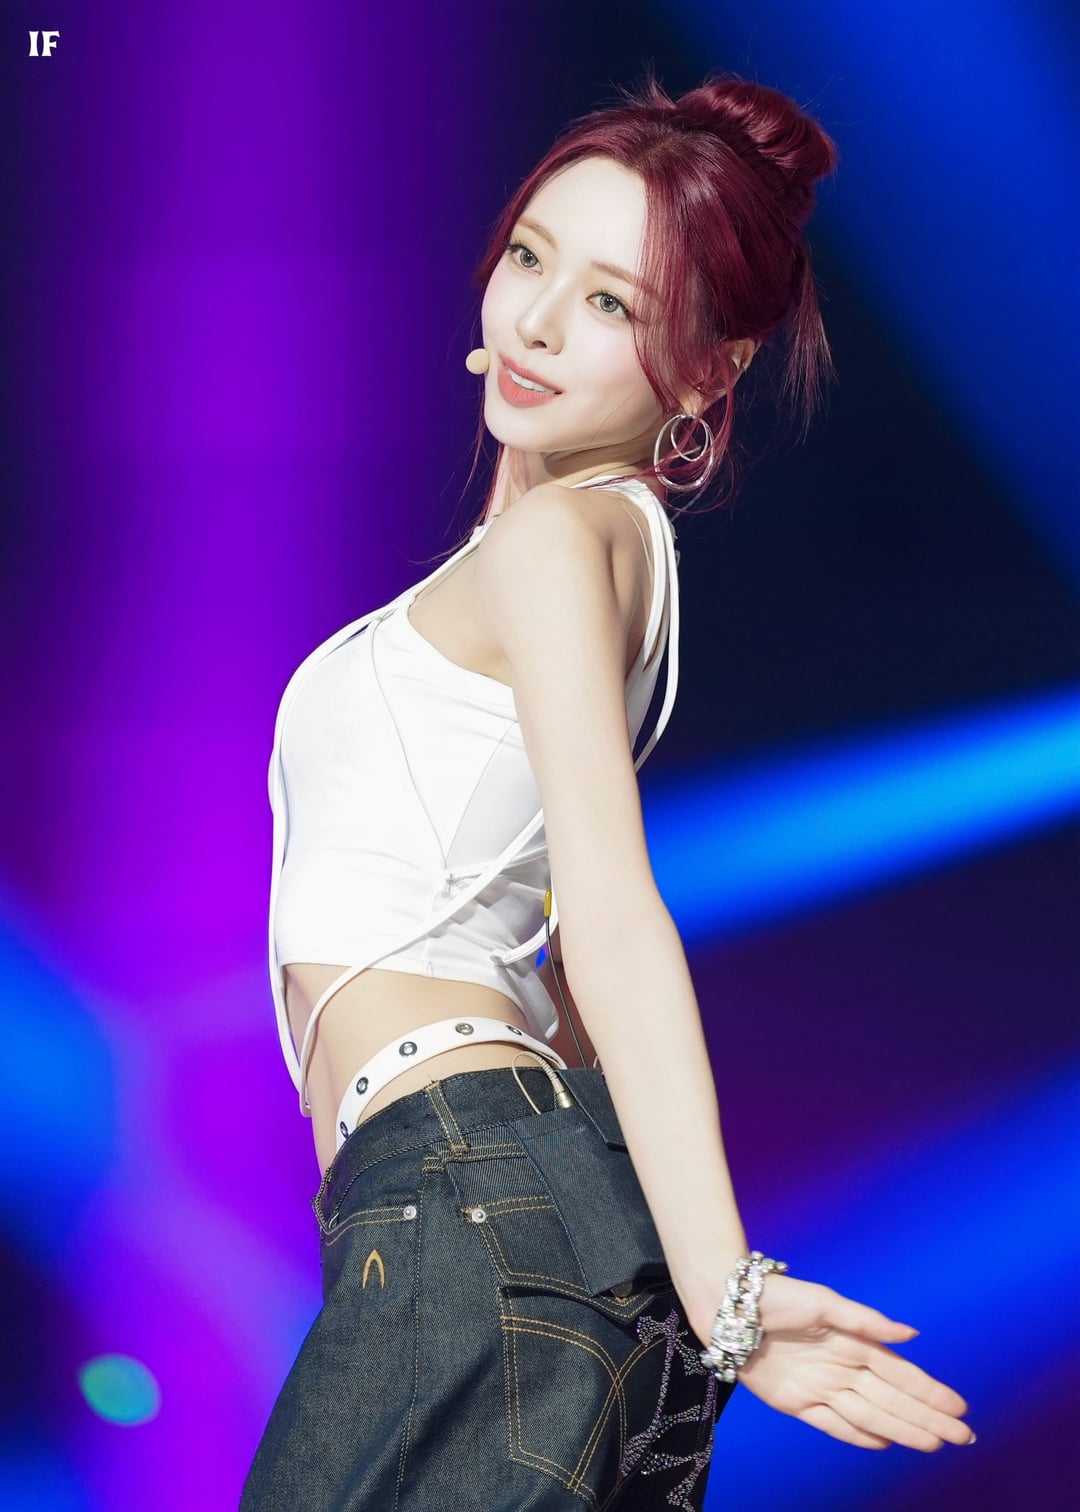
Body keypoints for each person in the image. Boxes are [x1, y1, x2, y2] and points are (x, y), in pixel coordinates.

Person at [240, 67, 975, 1511]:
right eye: (530, 258)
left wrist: (723, 1291)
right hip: (512, 1209)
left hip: (469, 1200)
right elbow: (558, 957)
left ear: (706, 372)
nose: (535, 322)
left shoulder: (559, 543)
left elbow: (613, 907)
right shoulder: (597, 548)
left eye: (611, 305)